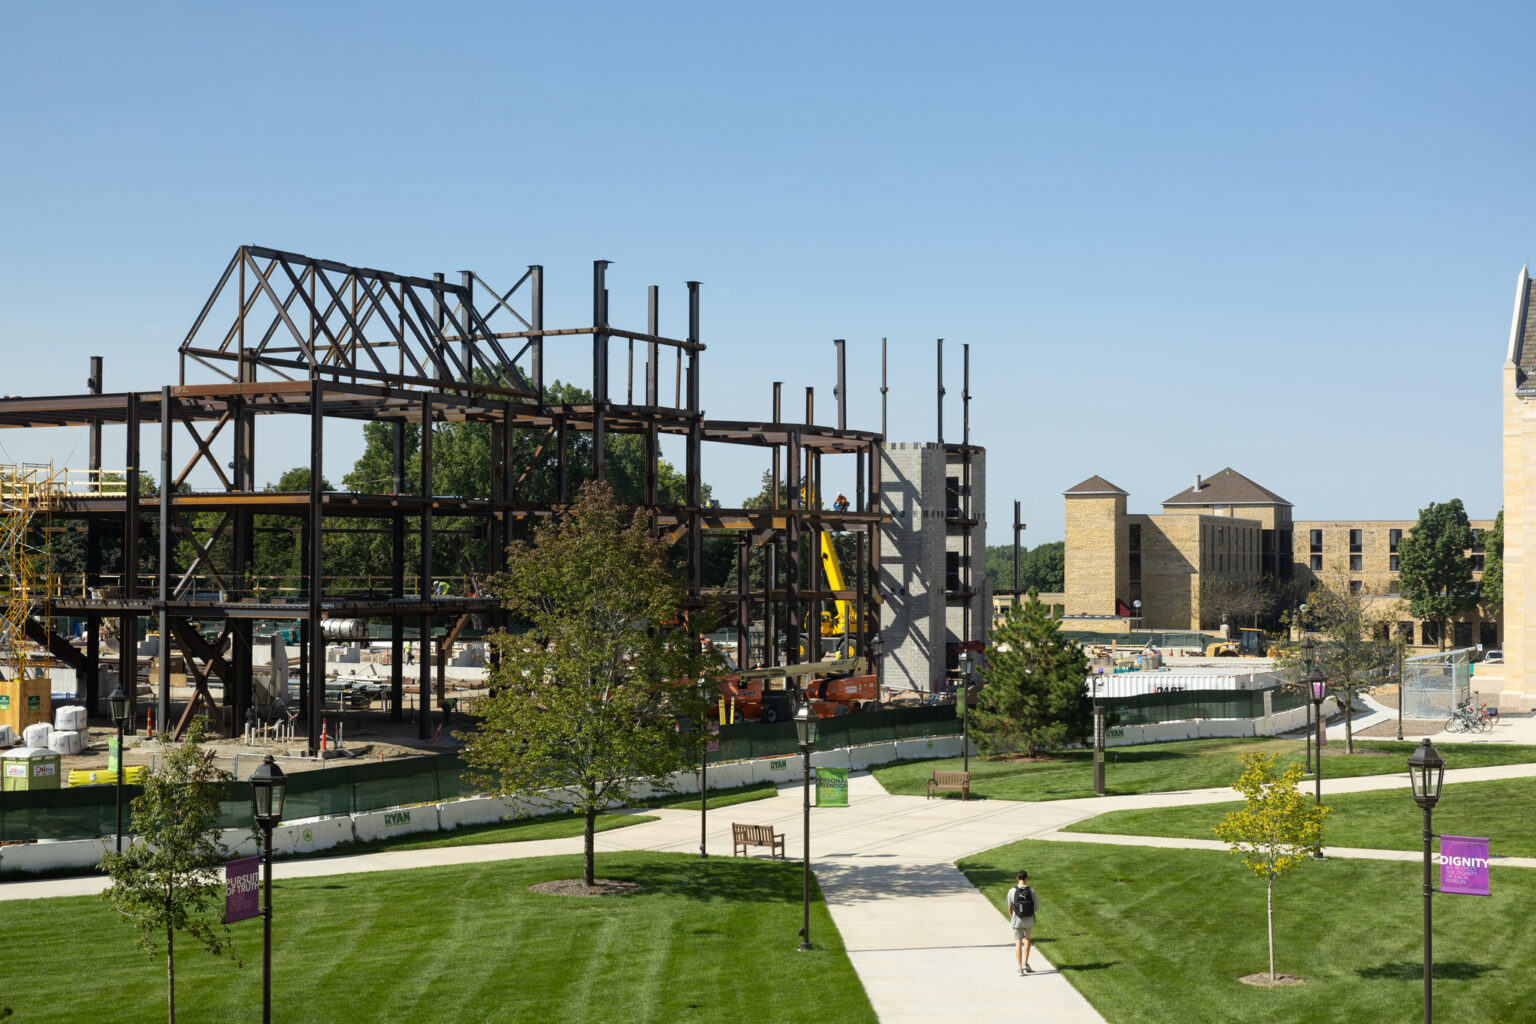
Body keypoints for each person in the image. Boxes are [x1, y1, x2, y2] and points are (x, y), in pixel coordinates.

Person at [1006, 869, 1038, 975]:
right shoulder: (1032, 891)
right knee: (1027, 939)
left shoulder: (1012, 891)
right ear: (1026, 879)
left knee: (1018, 942)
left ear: (1017, 878)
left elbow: (1009, 907)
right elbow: (1036, 908)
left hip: (1017, 920)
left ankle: (1020, 968)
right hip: (1029, 920)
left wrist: (1012, 917)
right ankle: (1025, 963)